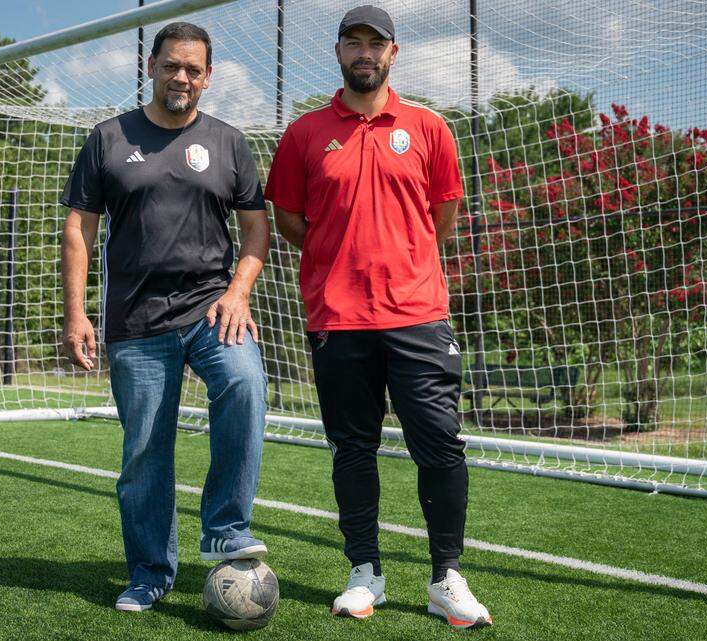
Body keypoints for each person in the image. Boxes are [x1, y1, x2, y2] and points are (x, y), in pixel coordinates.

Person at [264, 4, 492, 630]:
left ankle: (446, 577)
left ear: (394, 53)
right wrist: (338, 253)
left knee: (441, 446)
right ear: (338, 52)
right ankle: (365, 571)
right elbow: (288, 218)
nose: (364, 52)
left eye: (376, 43)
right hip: (337, 316)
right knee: (352, 449)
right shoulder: (306, 132)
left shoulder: (427, 128)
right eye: (353, 42)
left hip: (417, 314)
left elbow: (441, 216)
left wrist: (401, 257)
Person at [59, 21, 270, 613]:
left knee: (246, 383)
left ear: (208, 76)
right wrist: (76, 314)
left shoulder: (229, 142)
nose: (182, 77)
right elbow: (79, 229)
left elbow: (256, 233)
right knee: (145, 452)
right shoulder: (107, 138)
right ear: (151, 66)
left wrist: (238, 294)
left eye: (193, 69)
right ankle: (150, 572)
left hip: (212, 309)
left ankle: (226, 529)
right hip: (136, 319)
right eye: (172, 65)